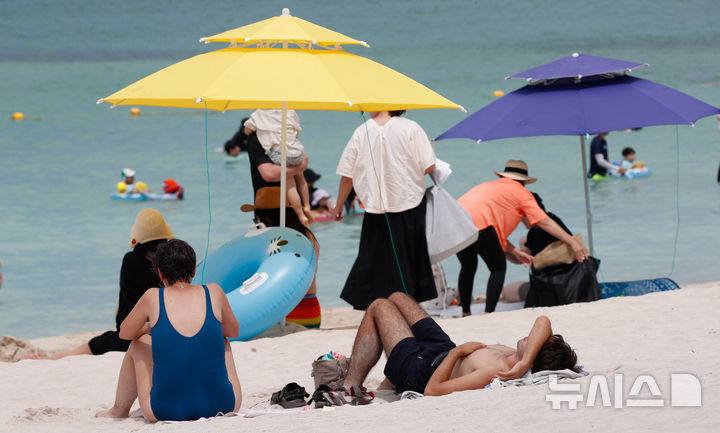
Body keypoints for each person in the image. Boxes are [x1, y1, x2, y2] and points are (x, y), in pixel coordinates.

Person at [96, 239, 242, 421]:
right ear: (194, 271)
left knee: (138, 343)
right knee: (224, 340)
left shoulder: (152, 296)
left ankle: (119, 410)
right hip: (223, 405)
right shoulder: (214, 291)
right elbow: (233, 331)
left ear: (160, 273)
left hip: (164, 410)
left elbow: (124, 333)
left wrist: (150, 327)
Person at [342, 292, 578, 396]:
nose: (530, 337)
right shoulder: (519, 356)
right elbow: (543, 320)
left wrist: (457, 353)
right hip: (441, 348)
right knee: (398, 297)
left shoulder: (497, 372)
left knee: (380, 306)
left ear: (536, 358)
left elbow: (433, 391)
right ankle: (388, 381)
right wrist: (526, 359)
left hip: (421, 370)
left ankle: (349, 387)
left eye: (535, 344)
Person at [29, 208, 174, 360]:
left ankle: (49, 359)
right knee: (102, 340)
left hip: (131, 333)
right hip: (166, 330)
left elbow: (125, 305)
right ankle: (50, 359)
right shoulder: (170, 259)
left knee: (95, 344)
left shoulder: (132, 260)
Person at [331, 110, 437, 310]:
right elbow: (429, 165)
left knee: (374, 257)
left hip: (374, 205)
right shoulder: (410, 127)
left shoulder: (362, 130)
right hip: (408, 200)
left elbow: (347, 174)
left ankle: (377, 306)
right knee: (408, 256)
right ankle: (408, 303)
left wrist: (339, 205)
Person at [456, 160, 586, 315]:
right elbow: (543, 221)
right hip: (479, 225)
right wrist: (573, 242)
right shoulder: (522, 193)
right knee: (498, 267)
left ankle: (465, 312)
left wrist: (516, 253)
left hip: (456, 219)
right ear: (524, 181)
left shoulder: (489, 187)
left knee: (468, 266)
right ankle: (488, 314)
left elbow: (493, 233)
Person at [242, 187, 322, 328]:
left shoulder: (272, 240)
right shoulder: (308, 236)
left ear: (267, 217)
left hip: (285, 311)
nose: (257, 222)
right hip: (311, 311)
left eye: (257, 218)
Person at [244, 109, 313, 226]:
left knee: (289, 182)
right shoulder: (287, 136)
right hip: (274, 208)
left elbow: (270, 175)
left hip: (271, 208)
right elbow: (269, 174)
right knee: (300, 178)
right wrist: (300, 167)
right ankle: (306, 206)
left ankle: (302, 214)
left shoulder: (259, 137)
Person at [501, 193, 573, 303]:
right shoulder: (553, 219)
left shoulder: (535, 233)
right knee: (523, 240)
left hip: (550, 285)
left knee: (507, 291)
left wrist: (505, 252)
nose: (520, 220)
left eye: (522, 215)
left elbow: (523, 259)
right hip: (572, 277)